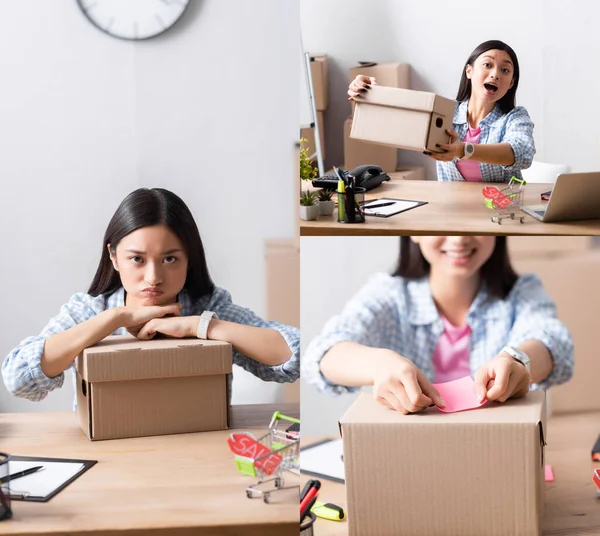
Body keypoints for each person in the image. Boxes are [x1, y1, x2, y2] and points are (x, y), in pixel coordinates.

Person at [3, 188, 299, 404]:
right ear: (114, 257)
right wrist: (114, 319)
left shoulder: (209, 305)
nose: (154, 277)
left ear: (190, 259)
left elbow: (295, 355)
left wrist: (200, 326)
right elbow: (17, 378)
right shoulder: (90, 309)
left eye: (169, 259)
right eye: (137, 259)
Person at [302, 236, 572, 414]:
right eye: (441, 225)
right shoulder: (389, 294)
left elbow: (551, 340)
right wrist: (379, 364)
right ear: (414, 231)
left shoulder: (522, 292)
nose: (459, 240)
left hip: (499, 452)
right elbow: (324, 353)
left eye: (469, 224)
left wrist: (518, 360)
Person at [348, 40, 535, 183]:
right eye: (487, 65)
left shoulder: (515, 117)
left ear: (511, 83)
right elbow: (397, 125)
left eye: (505, 70)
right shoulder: (445, 113)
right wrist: (368, 94)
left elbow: (521, 153)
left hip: (499, 214)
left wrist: (463, 150)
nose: (495, 74)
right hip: (450, 210)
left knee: (457, 237)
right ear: (469, 71)